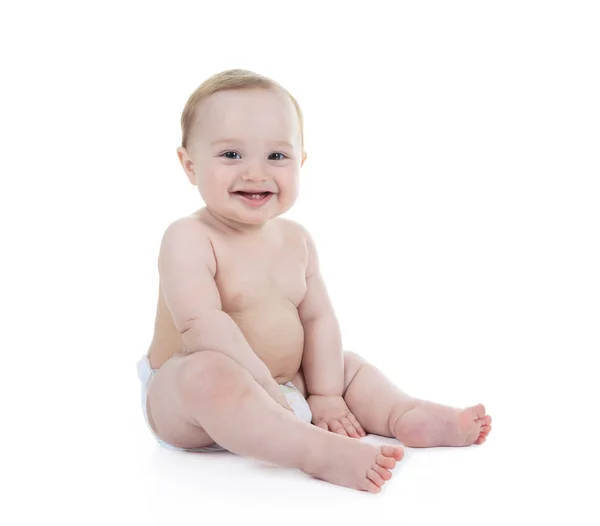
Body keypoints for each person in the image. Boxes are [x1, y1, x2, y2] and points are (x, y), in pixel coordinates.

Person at [136, 69, 492, 494]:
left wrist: (323, 394)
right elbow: (202, 325)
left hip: (289, 387)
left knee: (345, 365)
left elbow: (318, 320)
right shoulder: (189, 237)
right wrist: (265, 388)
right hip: (189, 403)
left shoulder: (296, 240)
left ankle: (403, 414)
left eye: (277, 156)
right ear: (189, 165)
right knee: (206, 374)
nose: (255, 172)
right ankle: (315, 450)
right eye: (231, 155)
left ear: (301, 162)